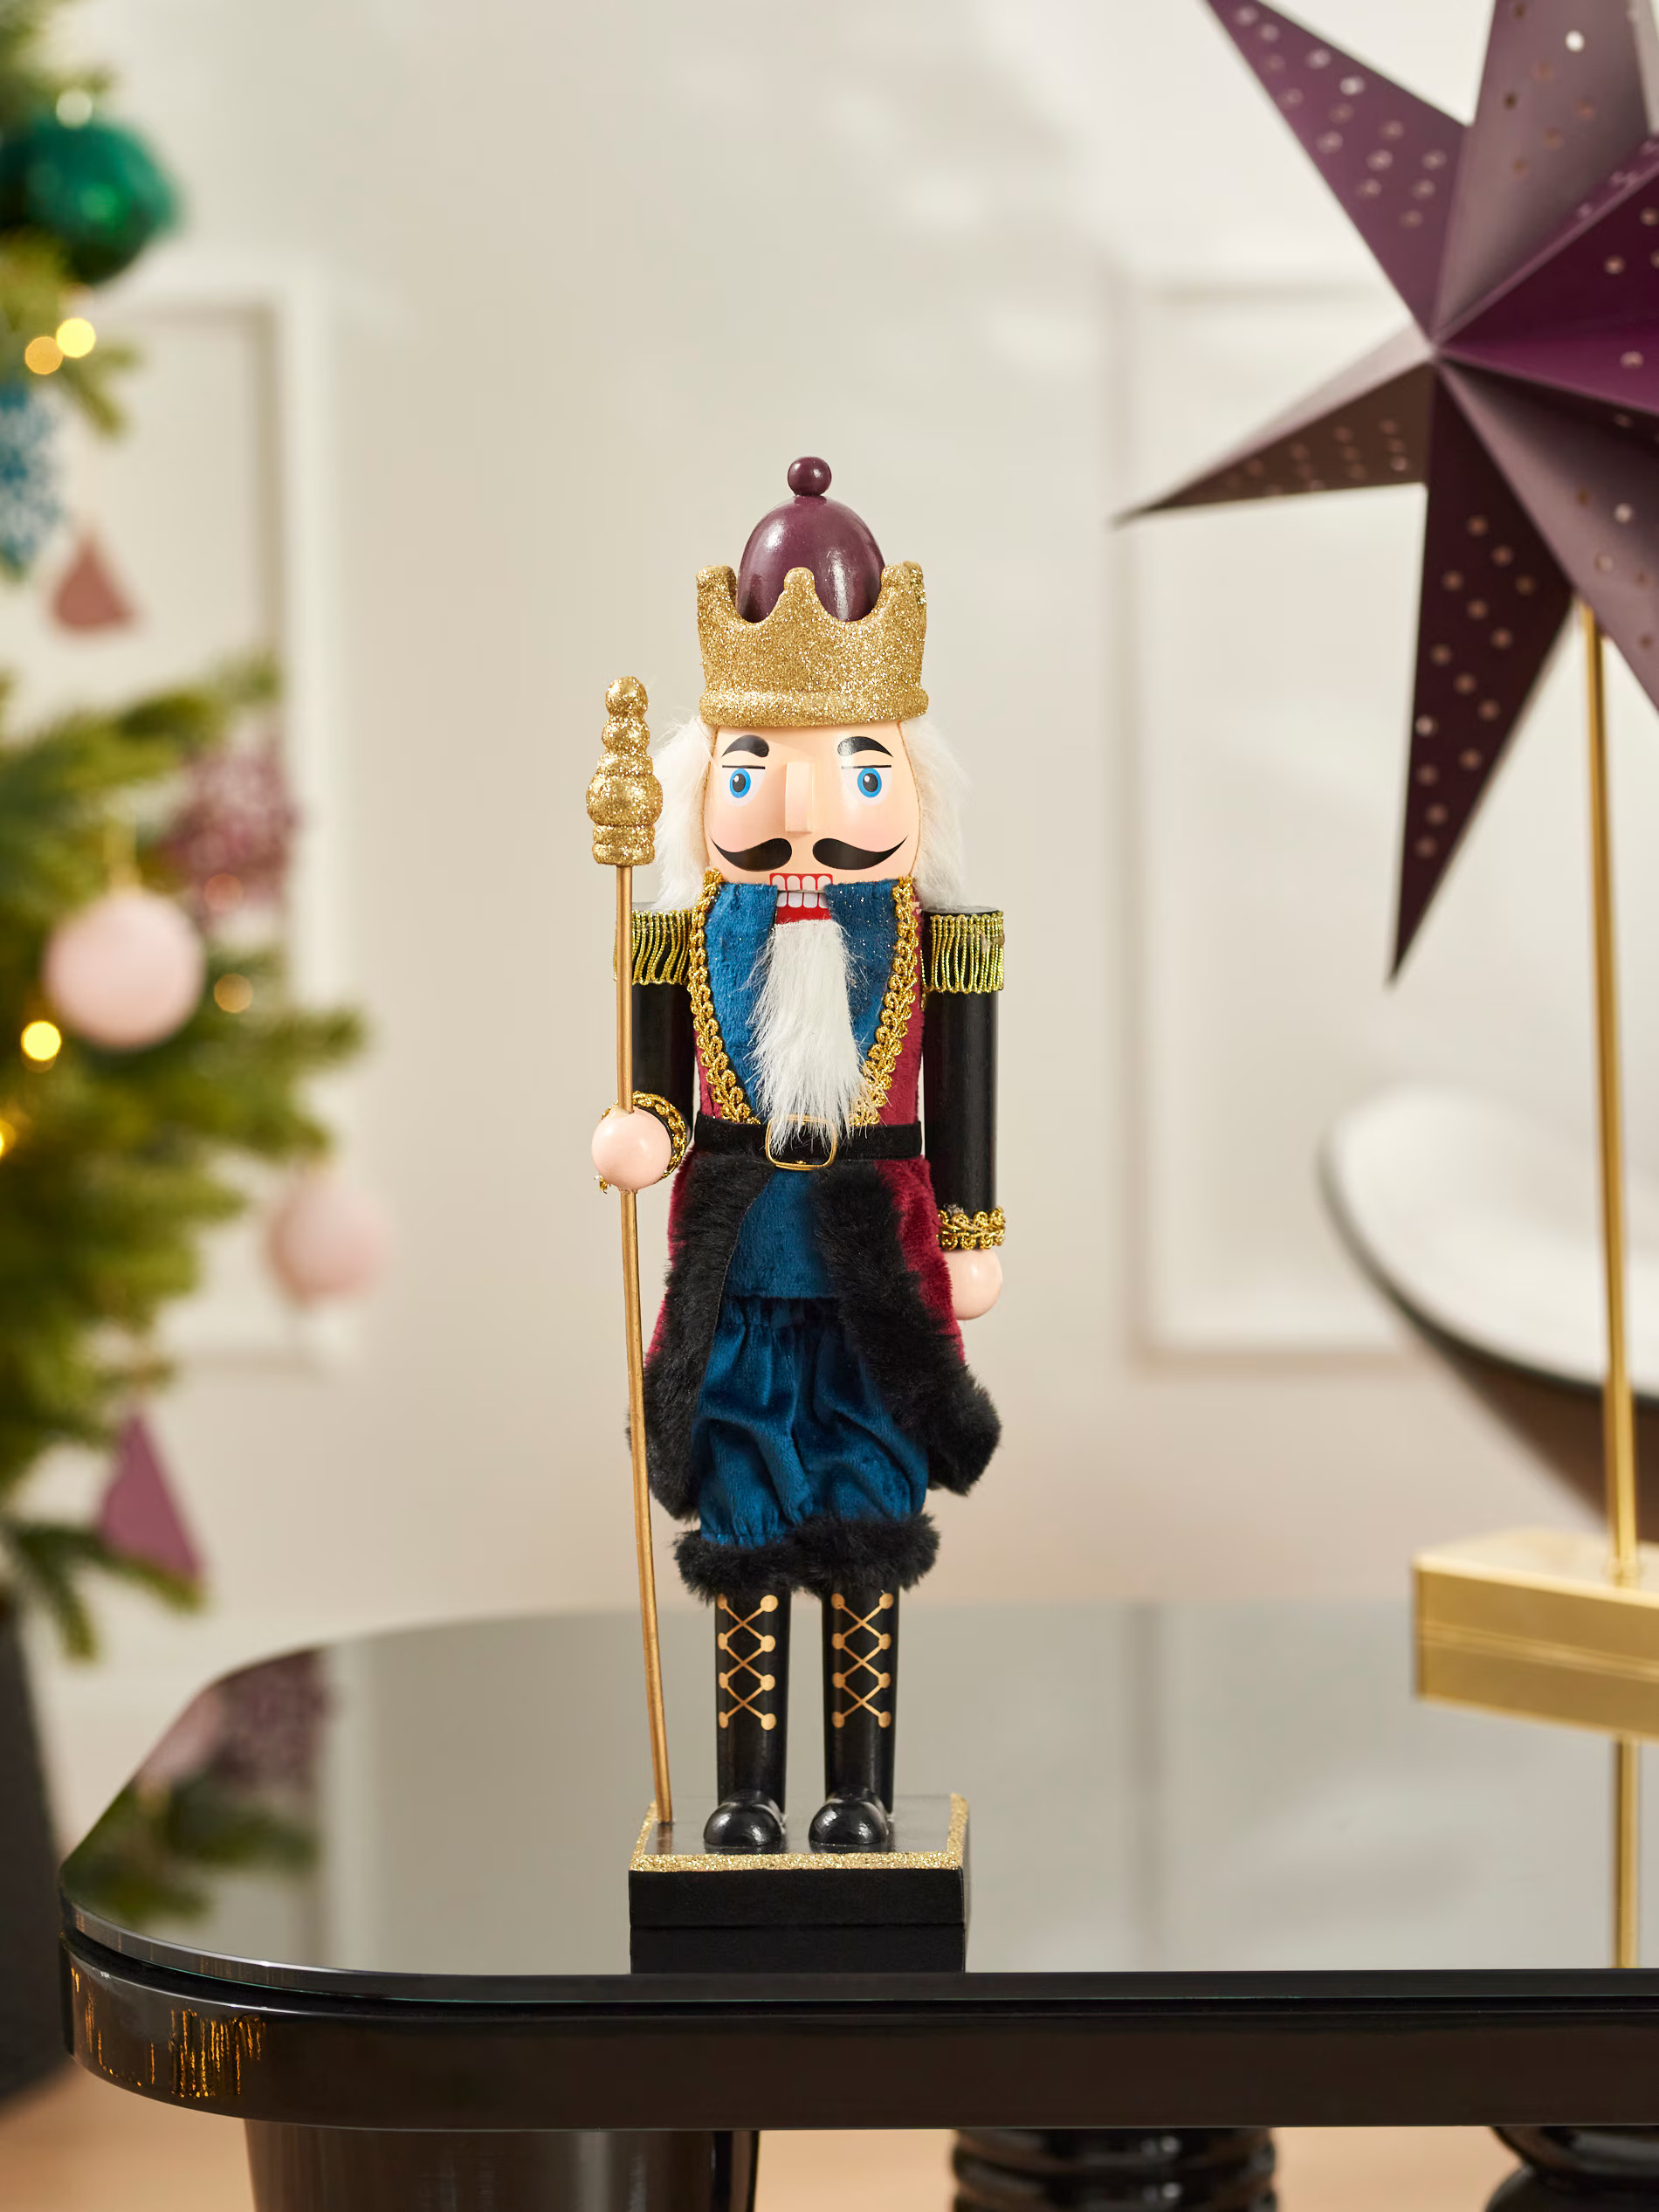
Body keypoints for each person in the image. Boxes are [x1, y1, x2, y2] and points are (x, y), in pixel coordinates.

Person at [591, 458, 1004, 1852]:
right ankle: (749, 1789)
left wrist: (977, 1226)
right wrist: (643, 1126)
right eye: (759, 773)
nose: (805, 822)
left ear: (909, 784)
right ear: (711, 780)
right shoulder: (685, 931)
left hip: (876, 1275)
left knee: (868, 1514)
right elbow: (658, 1088)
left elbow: (967, 1094)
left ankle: (862, 1791)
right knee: (748, 1521)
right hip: (739, 1279)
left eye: (857, 772)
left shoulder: (938, 937)